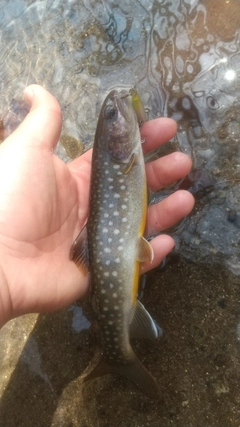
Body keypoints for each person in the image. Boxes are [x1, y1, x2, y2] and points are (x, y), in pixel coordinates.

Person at [0, 85, 194, 328]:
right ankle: (121, 346)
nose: (117, 104)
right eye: (112, 114)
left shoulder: (124, 154)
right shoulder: (126, 156)